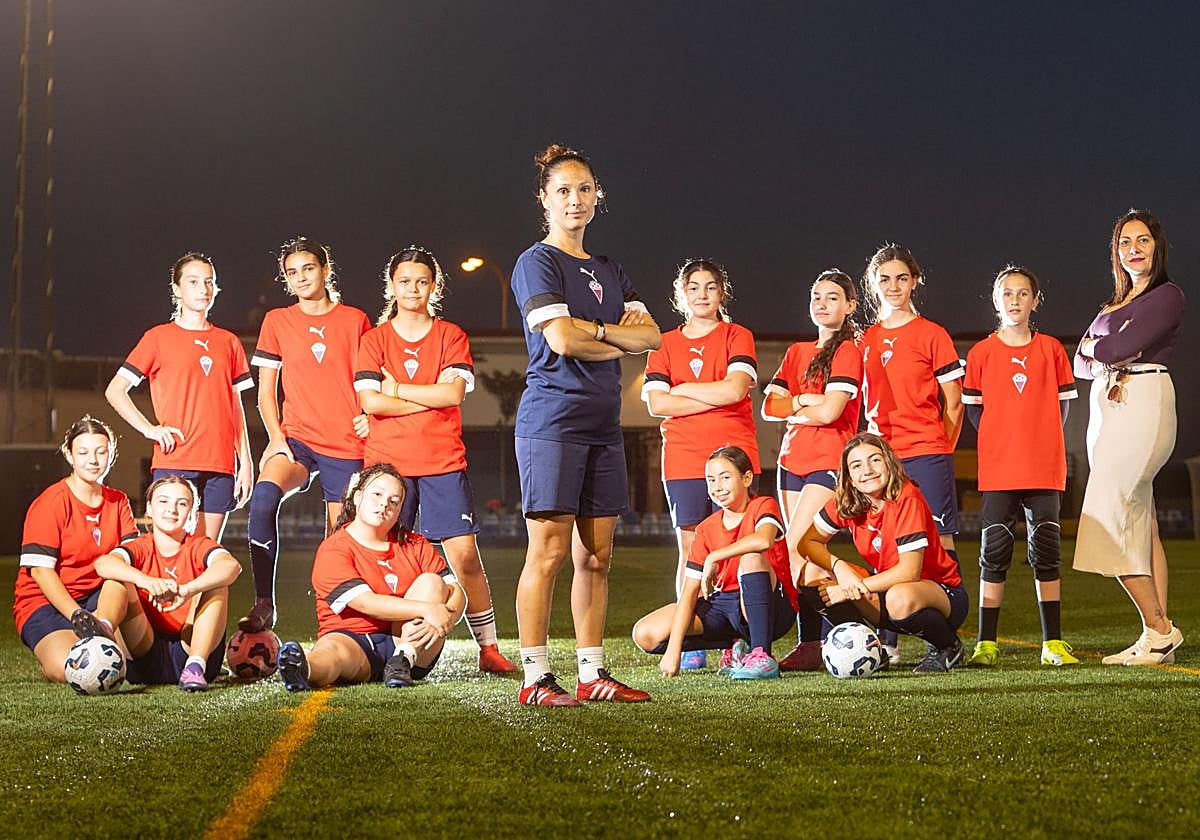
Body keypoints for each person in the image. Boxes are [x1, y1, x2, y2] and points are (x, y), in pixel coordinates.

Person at [510, 143, 661, 706]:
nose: (575, 199)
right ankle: (535, 678)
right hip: (552, 420)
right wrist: (607, 334)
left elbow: (650, 338)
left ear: (599, 197)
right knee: (547, 554)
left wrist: (593, 331)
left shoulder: (610, 269)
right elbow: (560, 339)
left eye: (585, 189)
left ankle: (593, 673)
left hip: (603, 424)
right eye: (563, 190)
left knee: (596, 557)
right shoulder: (537, 262)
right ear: (544, 199)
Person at [354, 246, 515, 673]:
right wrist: (423, 395)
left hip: (442, 461)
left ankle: (489, 647)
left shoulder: (450, 336)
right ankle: (377, 645)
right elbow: (371, 402)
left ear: (434, 286)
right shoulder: (374, 339)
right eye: (404, 281)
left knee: (463, 557)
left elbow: (453, 395)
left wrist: (398, 389)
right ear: (391, 286)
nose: (412, 289)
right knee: (384, 555)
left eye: (422, 281)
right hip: (388, 466)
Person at [239, 237, 371, 633]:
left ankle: (334, 622)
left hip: (346, 444)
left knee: (337, 539)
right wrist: (276, 439)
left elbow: (370, 378)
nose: (300, 278)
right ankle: (265, 603)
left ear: (326, 270)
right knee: (263, 499)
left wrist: (367, 415)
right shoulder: (277, 321)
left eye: (308, 269)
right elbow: (265, 392)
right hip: (295, 438)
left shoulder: (355, 320)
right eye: (292, 272)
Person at [1073, 209, 1185, 665]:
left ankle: (1160, 629)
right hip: (1107, 408)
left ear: (1157, 246)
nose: (1132, 249)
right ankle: (1154, 637)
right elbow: (1079, 365)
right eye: (1123, 243)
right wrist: (1107, 348)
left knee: (1109, 510)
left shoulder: (1167, 295)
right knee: (1141, 522)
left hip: (1142, 398)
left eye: (1141, 241)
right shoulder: (1112, 305)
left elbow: (1109, 350)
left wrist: (1103, 348)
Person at [640, 258, 760, 670]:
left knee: (737, 547)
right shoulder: (665, 343)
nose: (702, 295)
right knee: (690, 550)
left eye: (710, 287)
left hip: (734, 448)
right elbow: (657, 402)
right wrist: (714, 392)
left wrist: (686, 390)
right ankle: (689, 637)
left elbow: (736, 389)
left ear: (721, 294)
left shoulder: (737, 335)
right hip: (685, 458)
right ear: (681, 295)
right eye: (694, 288)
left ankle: (740, 639)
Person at [962, 266, 1079, 666]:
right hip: (998, 470)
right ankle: (986, 644)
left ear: (1035, 300)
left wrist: (1038, 441)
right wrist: (1004, 442)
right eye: (1007, 293)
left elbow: (1061, 408)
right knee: (993, 553)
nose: (1015, 300)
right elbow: (976, 414)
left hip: (1044, 468)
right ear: (996, 301)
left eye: (1023, 293)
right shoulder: (980, 354)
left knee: (1046, 551)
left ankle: (1053, 644)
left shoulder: (1051, 350)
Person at [859, 244, 965, 663]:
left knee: (939, 544)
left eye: (902, 278)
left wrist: (939, 449)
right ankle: (887, 646)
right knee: (890, 547)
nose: (894, 286)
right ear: (873, 286)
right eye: (884, 279)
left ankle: (943, 640)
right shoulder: (864, 339)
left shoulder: (932, 334)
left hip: (927, 453)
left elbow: (953, 404)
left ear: (915, 281)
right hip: (881, 460)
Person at [105, 251, 254, 540]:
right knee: (174, 551)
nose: (203, 289)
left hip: (220, 464)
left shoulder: (228, 342)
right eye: (194, 282)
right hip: (176, 459)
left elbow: (234, 406)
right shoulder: (157, 338)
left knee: (207, 554)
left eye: (209, 282)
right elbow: (115, 390)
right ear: (176, 289)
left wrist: (245, 462)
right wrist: (150, 429)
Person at [278, 464, 466, 690]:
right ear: (357, 497)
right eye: (377, 494)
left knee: (432, 582)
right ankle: (302, 667)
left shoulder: (414, 543)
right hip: (352, 637)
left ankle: (402, 660)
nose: (384, 504)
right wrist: (427, 610)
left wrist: (447, 617)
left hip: (412, 643)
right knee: (332, 653)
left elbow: (457, 592)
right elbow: (365, 603)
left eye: (394, 501)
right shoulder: (334, 548)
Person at [798, 433, 969, 674]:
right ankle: (869, 651)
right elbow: (807, 543)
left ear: (889, 462)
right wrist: (839, 567)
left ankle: (947, 646)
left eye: (875, 460)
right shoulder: (847, 500)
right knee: (810, 572)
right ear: (850, 477)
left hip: (939, 593)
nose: (867, 470)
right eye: (856, 465)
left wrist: (850, 588)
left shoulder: (906, 498)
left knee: (899, 597)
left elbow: (909, 572)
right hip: (886, 591)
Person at [761, 269, 862, 671]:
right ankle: (822, 641)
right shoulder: (796, 352)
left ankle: (858, 624)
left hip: (828, 461)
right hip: (790, 462)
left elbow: (833, 411)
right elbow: (770, 408)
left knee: (794, 549)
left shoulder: (848, 350)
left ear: (850, 305)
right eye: (816, 296)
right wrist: (808, 402)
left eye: (833, 297)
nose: (822, 303)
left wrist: (796, 403)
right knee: (806, 559)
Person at [632, 446, 796, 679]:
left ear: (747, 478)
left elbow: (764, 540)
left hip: (770, 605)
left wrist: (715, 556)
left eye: (725, 477)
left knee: (751, 559)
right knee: (645, 633)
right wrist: (673, 650)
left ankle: (762, 655)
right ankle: (737, 645)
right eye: (711, 480)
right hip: (723, 606)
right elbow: (689, 593)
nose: (717, 487)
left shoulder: (762, 505)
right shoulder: (705, 529)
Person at [79, 475, 242, 692]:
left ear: (192, 514)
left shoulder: (199, 546)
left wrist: (188, 589)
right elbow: (103, 564)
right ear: (149, 508)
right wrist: (145, 581)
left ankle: (195, 666)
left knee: (217, 583)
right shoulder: (141, 546)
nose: (171, 509)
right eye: (163, 501)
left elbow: (231, 567)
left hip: (191, 648)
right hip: (143, 652)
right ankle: (103, 632)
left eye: (182, 503)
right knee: (119, 577)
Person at [14, 416, 139, 684]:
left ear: (111, 455)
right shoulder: (50, 502)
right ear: (70, 456)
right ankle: (61, 649)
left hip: (98, 600)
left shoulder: (118, 502)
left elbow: (130, 559)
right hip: (45, 602)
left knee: (120, 575)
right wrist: (77, 615)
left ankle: (102, 629)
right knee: (70, 670)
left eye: (101, 452)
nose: (92, 460)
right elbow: (40, 572)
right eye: (83, 452)